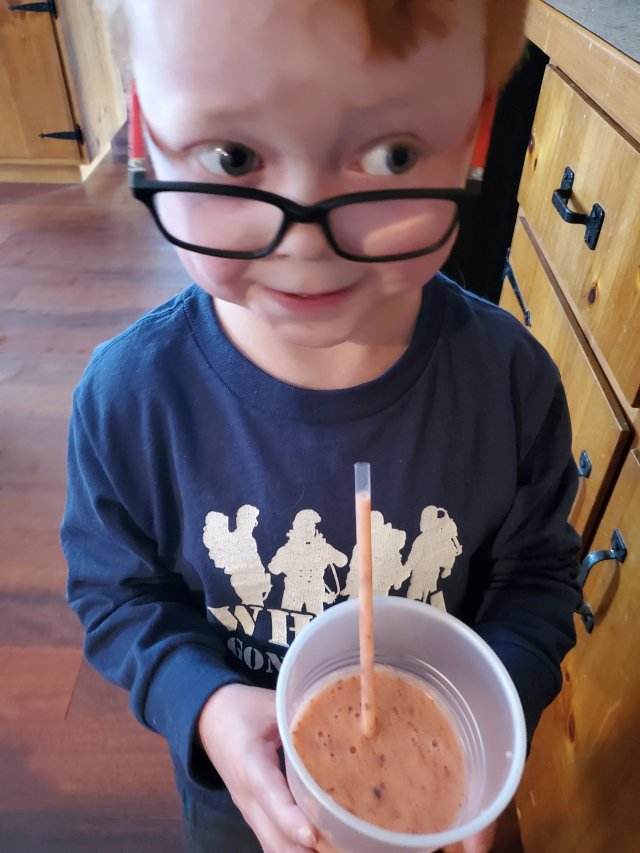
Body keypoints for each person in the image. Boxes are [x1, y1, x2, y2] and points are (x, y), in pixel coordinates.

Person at [61, 1, 582, 851]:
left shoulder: (511, 386)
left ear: (477, 135)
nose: (306, 240)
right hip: (242, 800)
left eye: (393, 154)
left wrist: (492, 726)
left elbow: (539, 582)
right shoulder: (129, 401)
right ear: (146, 127)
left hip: (440, 797)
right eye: (233, 156)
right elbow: (117, 595)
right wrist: (206, 704)